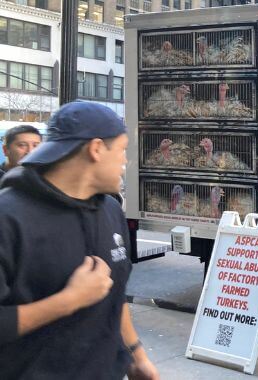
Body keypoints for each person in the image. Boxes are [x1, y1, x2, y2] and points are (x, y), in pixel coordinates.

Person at [0, 101, 159, 379]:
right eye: (122, 149)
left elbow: (114, 293)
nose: (125, 160)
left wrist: (136, 354)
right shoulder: (8, 217)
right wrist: (69, 300)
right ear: (96, 149)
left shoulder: (110, 210)